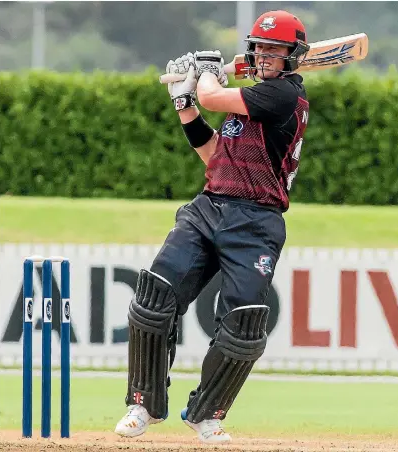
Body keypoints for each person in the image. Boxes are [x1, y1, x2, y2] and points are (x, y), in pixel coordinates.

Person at [115, 10, 310, 443]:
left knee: (243, 324)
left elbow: (214, 98)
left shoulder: (283, 98)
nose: (263, 56)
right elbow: (215, 156)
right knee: (154, 299)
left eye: (274, 50)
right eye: (259, 48)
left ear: (292, 57)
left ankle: (206, 412)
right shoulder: (252, 99)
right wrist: (184, 105)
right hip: (209, 207)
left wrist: (203, 75)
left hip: (257, 222)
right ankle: (144, 403)